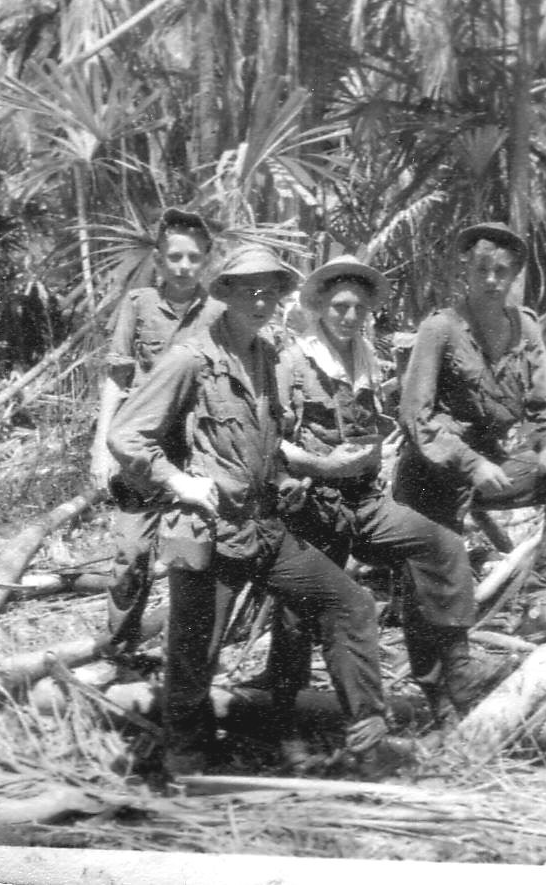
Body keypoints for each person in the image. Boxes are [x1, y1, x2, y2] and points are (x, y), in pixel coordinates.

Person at [107, 245, 411, 778]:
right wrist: (178, 480)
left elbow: (268, 442)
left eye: (270, 290)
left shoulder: (267, 356)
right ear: (223, 294)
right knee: (194, 654)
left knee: (351, 604)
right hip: (210, 531)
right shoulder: (189, 359)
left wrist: (293, 473)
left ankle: (367, 738)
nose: (261, 299)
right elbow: (128, 434)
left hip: (265, 525)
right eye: (248, 289)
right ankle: (186, 760)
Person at [268, 255, 483, 748]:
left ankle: (455, 679)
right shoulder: (293, 363)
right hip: (312, 505)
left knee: (441, 546)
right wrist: (318, 466)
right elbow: (270, 441)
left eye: (359, 308)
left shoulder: (367, 360)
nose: (349, 316)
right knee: (298, 616)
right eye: (340, 306)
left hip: (364, 503)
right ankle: (285, 726)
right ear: (320, 307)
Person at [394, 222, 546, 636]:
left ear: (514, 275)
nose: (491, 280)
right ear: (464, 271)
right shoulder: (441, 328)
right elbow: (416, 415)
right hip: (433, 473)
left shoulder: (524, 327)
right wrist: (471, 464)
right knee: (443, 609)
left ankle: (537, 603)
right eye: (482, 269)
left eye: (501, 271)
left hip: (494, 465)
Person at [89, 207, 222, 647]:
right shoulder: (138, 305)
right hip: (142, 449)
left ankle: (184, 656)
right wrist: (102, 448)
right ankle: (120, 646)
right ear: (159, 259)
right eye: (175, 257)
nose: (184, 266)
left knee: (194, 556)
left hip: (198, 449)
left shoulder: (220, 313)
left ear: (206, 260)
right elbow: (117, 377)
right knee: (131, 555)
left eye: (194, 257)